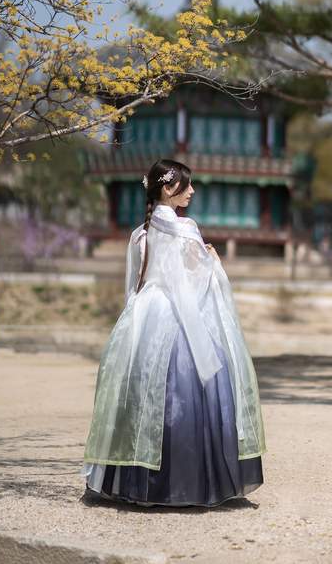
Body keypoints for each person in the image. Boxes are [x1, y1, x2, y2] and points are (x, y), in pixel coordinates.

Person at [82, 158, 266, 507]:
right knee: (192, 395)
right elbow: (194, 282)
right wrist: (215, 262)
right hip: (176, 317)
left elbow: (136, 284)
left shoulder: (140, 233)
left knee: (142, 396)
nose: (193, 191)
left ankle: (134, 482)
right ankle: (189, 483)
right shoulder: (185, 228)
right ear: (169, 188)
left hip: (145, 315)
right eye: (187, 184)